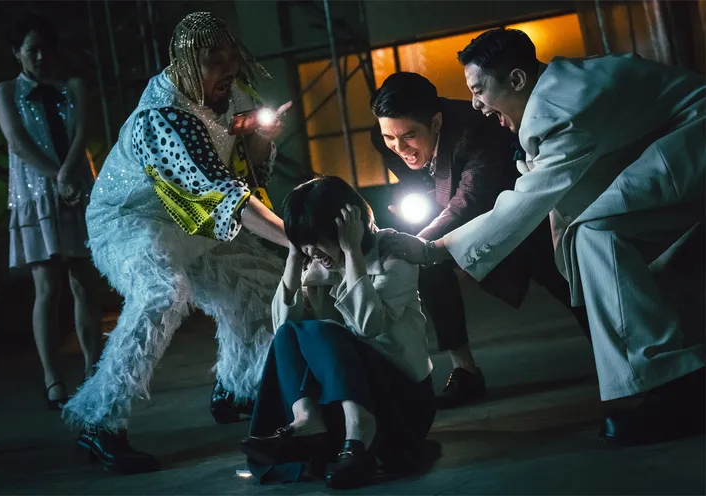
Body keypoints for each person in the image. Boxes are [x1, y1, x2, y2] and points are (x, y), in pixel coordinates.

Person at [384, 28, 705, 445]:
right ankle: (663, 380)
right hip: (668, 141)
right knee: (589, 236)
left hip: (692, 136)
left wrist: (434, 248)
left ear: (517, 80)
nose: (476, 104)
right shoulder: (554, 93)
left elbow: (526, 198)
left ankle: (671, 386)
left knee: (593, 231)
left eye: (479, 90)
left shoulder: (560, 110)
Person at [61, 12, 292, 473]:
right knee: (162, 292)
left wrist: (262, 141)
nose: (228, 69)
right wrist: (298, 240)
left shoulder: (235, 96)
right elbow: (224, 195)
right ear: (187, 62)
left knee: (264, 284)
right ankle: (99, 421)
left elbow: (246, 176)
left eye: (232, 58)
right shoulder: (162, 118)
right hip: (130, 221)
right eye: (214, 60)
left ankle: (237, 388)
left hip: (194, 218)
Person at [370, 72, 590, 408]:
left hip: (515, 210)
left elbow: (470, 201)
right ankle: (465, 370)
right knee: (428, 265)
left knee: (566, 278)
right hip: (447, 207)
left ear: (436, 122)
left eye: (410, 136)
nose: (400, 148)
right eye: (390, 137)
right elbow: (417, 177)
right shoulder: (383, 136)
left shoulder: (474, 130)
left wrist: (420, 240)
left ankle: (620, 351)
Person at [239, 176, 436, 489]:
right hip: (350, 394)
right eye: (304, 241)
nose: (311, 250)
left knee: (325, 330)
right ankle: (307, 420)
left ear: (347, 227)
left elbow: (368, 326)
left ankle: (361, 433)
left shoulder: (394, 255)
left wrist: (351, 252)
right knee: (292, 332)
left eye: (316, 239)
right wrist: (294, 257)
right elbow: (282, 329)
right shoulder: (318, 264)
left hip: (402, 402)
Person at [0, 16, 101, 410]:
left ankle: (94, 371)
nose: (39, 56)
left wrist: (68, 174)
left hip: (74, 190)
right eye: (31, 49)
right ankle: (52, 378)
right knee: (47, 287)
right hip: (36, 193)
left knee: (84, 282)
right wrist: (57, 177)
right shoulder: (7, 91)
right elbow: (17, 142)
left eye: (45, 49)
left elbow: (81, 133)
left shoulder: (72, 87)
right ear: (17, 53)